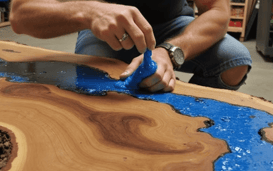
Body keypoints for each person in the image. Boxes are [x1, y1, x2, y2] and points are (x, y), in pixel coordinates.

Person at [9, 0, 252, 92]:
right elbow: (21, 14)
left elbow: (218, 12)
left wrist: (170, 52)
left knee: (234, 60)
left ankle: (185, 117)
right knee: (98, 83)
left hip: (173, 24)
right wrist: (87, 11)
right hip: (105, 26)